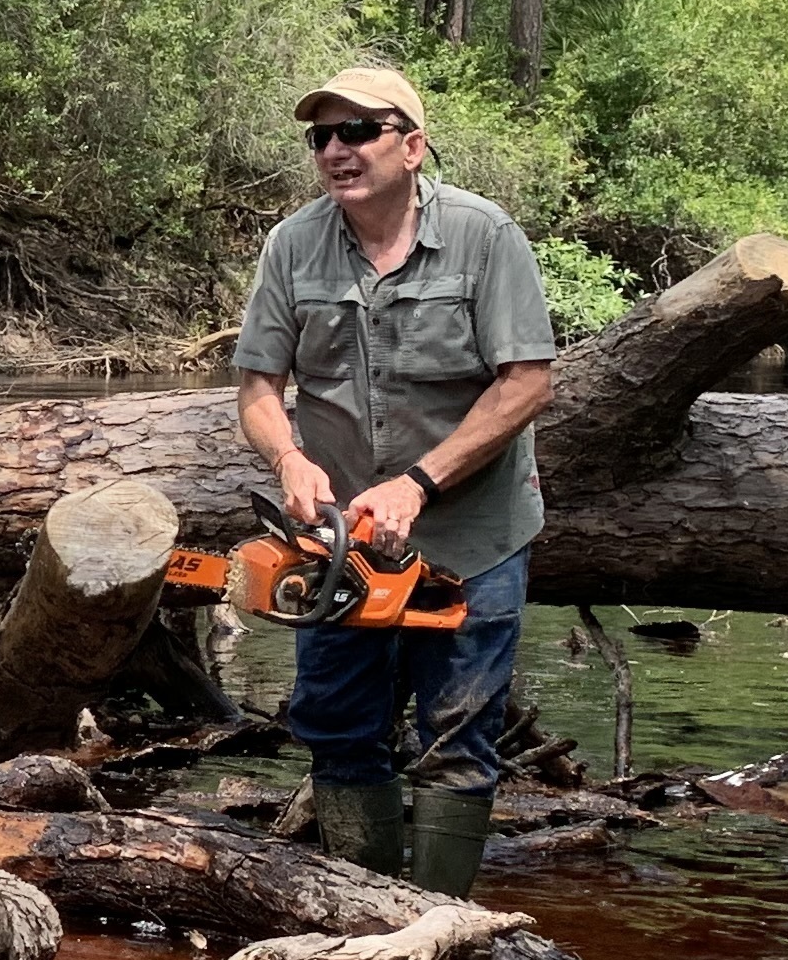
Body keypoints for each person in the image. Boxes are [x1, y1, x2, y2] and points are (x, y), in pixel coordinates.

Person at [230, 62, 558, 898]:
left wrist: (420, 482)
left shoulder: (486, 237)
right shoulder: (292, 245)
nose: (336, 150)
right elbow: (259, 387)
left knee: (456, 740)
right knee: (338, 729)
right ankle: (363, 920)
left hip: (471, 538)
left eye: (358, 132)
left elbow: (526, 382)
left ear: (412, 147)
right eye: (321, 137)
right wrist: (289, 459)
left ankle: (440, 928)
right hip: (342, 548)